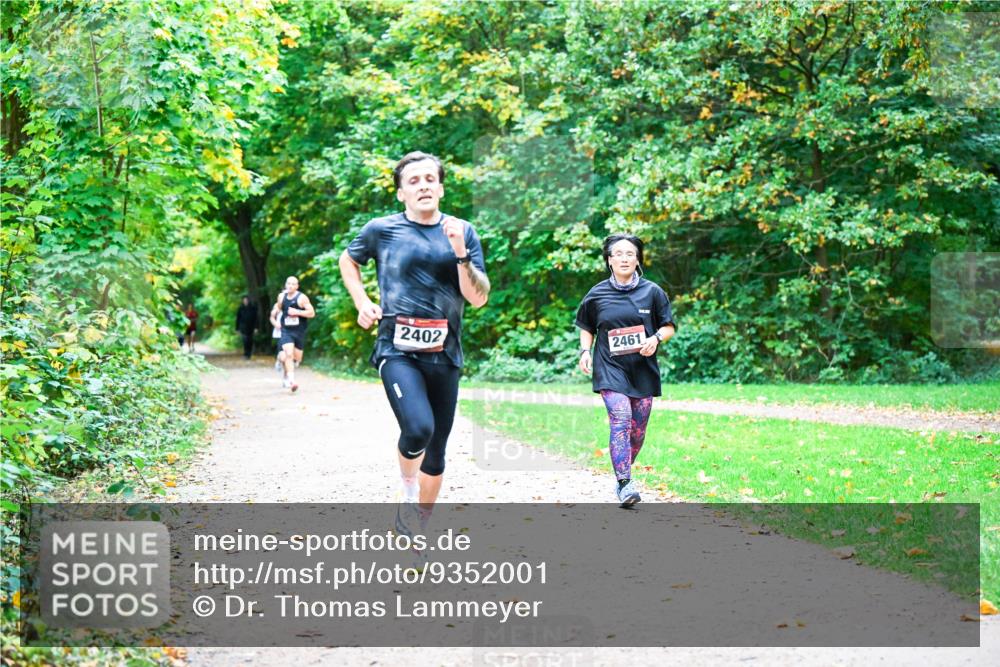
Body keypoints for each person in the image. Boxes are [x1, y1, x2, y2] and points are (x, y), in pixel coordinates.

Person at [338, 151, 489, 542]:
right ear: (401, 193)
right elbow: (348, 260)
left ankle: (418, 526)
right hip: (396, 349)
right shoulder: (381, 230)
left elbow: (478, 299)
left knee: (437, 453)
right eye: (413, 181)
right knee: (418, 428)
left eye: (429, 179)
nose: (422, 185)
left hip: (446, 353)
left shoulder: (462, 231)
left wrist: (460, 251)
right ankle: (406, 491)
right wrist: (362, 302)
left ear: (440, 187)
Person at [575, 234, 676, 508]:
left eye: (629, 253)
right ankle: (624, 483)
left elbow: (668, 327)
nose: (624, 258)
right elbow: (586, 326)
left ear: (637, 259)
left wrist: (655, 339)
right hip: (610, 368)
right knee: (621, 418)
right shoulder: (596, 294)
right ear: (609, 260)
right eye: (618, 253)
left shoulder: (652, 292)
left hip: (642, 369)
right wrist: (585, 351)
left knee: (637, 430)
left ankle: (623, 471)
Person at [273, 277, 315, 392]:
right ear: (285, 285)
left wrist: (297, 312)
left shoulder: (302, 298)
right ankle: (291, 381)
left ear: (297, 286)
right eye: (288, 283)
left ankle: (287, 370)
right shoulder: (281, 297)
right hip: (286, 330)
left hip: (299, 331)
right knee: (288, 354)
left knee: (297, 358)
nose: (290, 286)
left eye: (293, 284)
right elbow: (281, 308)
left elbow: (311, 313)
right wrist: (276, 319)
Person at [235, 295, 258, 360]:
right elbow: (238, 319)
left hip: (251, 327)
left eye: (246, 300)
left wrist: (256, 328)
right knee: (245, 340)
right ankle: (245, 354)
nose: (245, 301)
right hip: (243, 327)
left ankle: (249, 354)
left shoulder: (253, 308)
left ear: (248, 301)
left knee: (250, 341)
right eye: (244, 300)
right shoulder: (240, 309)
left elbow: (256, 319)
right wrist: (237, 328)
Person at [269, 295, 284, 373]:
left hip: (291, 330)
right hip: (280, 331)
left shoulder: (295, 303)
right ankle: (279, 361)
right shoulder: (277, 305)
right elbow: (272, 317)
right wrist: (276, 324)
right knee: (282, 349)